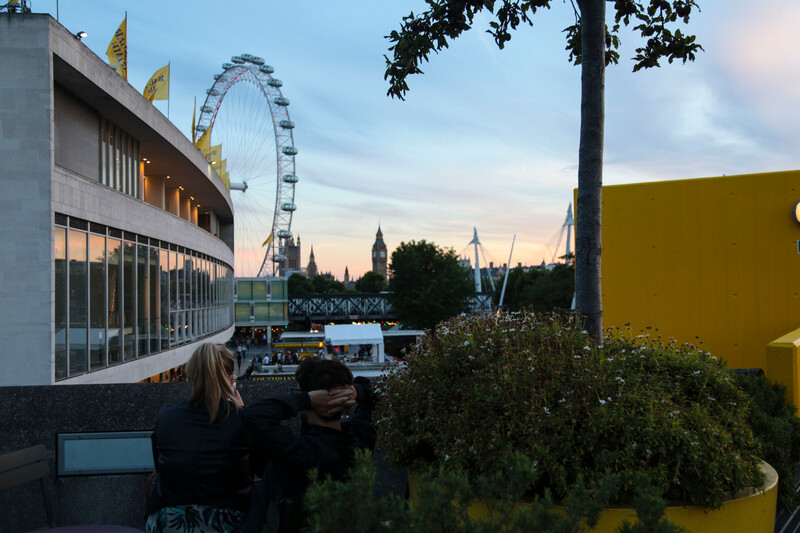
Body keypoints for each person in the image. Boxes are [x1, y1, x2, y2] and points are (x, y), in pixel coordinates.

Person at [242, 358, 376, 533]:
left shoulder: (299, 451)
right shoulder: (360, 439)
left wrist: (306, 400)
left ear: (315, 399)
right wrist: (355, 392)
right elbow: (374, 392)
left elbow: (252, 415)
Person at [146, 343, 261, 533]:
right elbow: (260, 468)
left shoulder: (166, 416)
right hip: (225, 520)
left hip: (167, 521)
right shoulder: (242, 419)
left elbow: (160, 466)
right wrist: (242, 410)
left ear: (191, 377)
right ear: (230, 379)